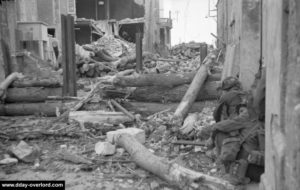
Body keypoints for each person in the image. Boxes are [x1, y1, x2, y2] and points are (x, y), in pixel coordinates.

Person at [207, 69, 266, 184]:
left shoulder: (248, 112)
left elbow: (219, 119)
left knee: (223, 133)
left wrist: (211, 132)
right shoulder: (250, 107)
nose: (251, 90)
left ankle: (223, 160)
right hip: (254, 161)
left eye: (254, 86)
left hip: (251, 162)